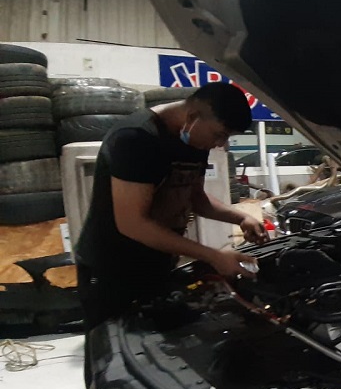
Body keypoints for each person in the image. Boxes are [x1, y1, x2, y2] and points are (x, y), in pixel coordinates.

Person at [75, 82, 269, 333]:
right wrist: (213, 256)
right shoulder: (135, 139)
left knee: (164, 338)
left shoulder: (194, 141)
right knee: (115, 346)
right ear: (193, 116)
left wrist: (241, 218)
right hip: (113, 268)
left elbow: (196, 198)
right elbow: (133, 224)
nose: (220, 144)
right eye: (219, 134)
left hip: (157, 262)